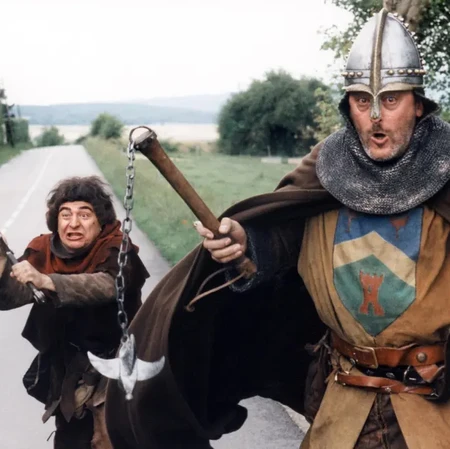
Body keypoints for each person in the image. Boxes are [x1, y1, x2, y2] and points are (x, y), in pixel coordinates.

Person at [105, 8, 450, 449]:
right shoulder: (326, 169)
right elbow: (283, 237)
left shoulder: (446, 169)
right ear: (348, 107)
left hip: (434, 408)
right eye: (363, 101)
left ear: (418, 104)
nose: (376, 116)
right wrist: (246, 243)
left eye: (392, 100)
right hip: (343, 404)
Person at [0, 175, 149, 449]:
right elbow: (11, 297)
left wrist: (47, 280)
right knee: (70, 440)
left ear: (100, 221)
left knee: (117, 438)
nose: (74, 223)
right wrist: (1, 259)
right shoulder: (43, 249)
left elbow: (107, 286)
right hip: (67, 368)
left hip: (118, 364)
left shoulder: (118, 248)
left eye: (85, 214)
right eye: (65, 214)